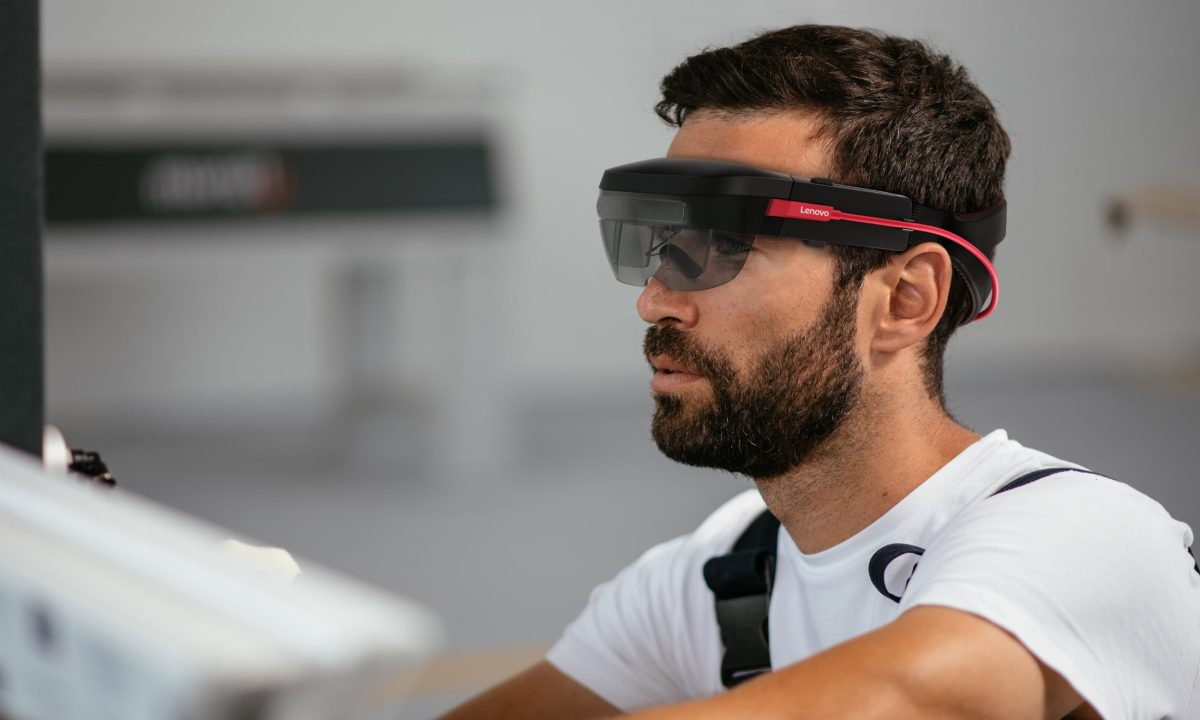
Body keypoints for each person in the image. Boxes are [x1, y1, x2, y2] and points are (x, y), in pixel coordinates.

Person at [442, 24, 1200, 720]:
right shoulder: (721, 575)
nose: (655, 300)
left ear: (905, 300)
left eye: (724, 245)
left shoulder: (1085, 538)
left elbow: (913, 699)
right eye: (663, 245)